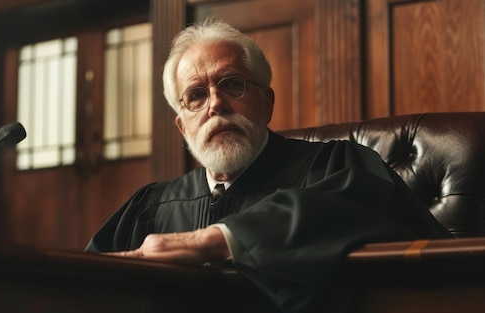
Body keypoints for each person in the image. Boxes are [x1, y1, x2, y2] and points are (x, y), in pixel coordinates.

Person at [85, 18, 452, 312]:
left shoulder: (337, 166)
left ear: (266, 103)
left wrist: (212, 241)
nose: (215, 104)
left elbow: (363, 218)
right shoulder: (152, 207)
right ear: (183, 126)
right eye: (196, 95)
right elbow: (82, 284)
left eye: (232, 85)